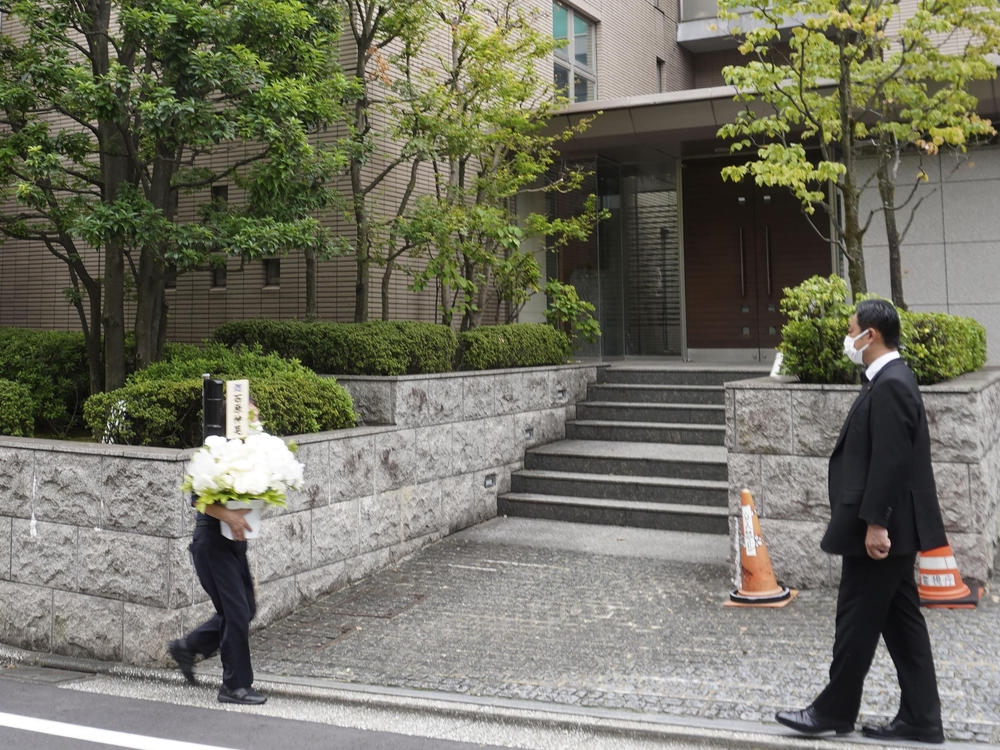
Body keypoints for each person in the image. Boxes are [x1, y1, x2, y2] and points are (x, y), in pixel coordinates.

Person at [775, 298, 947, 744]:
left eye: (851, 330)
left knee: (855, 621)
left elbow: (891, 461)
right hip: (894, 526)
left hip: (883, 531)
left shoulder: (890, 383)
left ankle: (833, 711)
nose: (847, 338)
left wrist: (876, 524)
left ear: (870, 335)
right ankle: (922, 719)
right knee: (903, 625)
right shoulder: (889, 379)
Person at [168, 401, 266, 706]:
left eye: (256, 413)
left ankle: (188, 646)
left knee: (245, 608)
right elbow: (198, 499)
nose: (256, 418)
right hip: (212, 542)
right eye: (250, 413)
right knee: (236, 613)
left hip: (233, 543)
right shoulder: (216, 452)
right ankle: (234, 686)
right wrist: (231, 517)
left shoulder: (249, 452)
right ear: (232, 418)